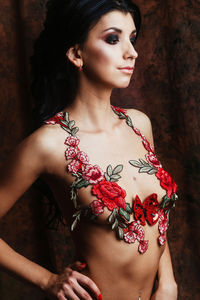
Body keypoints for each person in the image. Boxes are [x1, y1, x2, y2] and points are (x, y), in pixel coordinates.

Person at [0, 0, 179, 299]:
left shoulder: (139, 124)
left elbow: (153, 214)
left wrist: (169, 282)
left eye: (132, 38)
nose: (131, 52)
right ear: (75, 53)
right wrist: (47, 280)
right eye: (113, 38)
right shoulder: (49, 143)